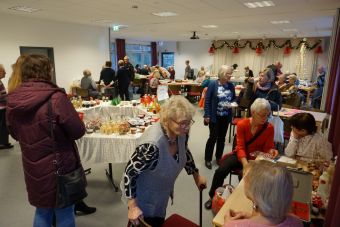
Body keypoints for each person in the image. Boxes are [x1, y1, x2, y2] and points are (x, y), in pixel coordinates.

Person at [6, 55, 96, 227]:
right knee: (64, 211)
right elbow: (77, 131)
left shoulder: (13, 99)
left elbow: (15, 134)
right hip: (59, 164)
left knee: (43, 209)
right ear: (46, 70)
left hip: (33, 164)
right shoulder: (56, 98)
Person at [122, 95, 207, 227]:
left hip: (161, 193)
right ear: (167, 120)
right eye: (182, 123)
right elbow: (129, 173)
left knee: (158, 220)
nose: (186, 127)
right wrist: (132, 206)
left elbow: (184, 151)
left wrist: (196, 175)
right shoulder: (152, 146)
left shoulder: (180, 133)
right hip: (144, 198)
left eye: (189, 122)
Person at [205, 98, 278, 209]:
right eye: (262, 115)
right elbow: (240, 147)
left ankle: (246, 203)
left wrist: (271, 151)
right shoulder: (242, 124)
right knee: (220, 171)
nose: (265, 118)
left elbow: (268, 148)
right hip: (241, 156)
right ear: (253, 112)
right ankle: (212, 197)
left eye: (267, 115)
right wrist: (245, 165)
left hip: (257, 160)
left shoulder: (269, 128)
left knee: (244, 177)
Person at [223, 161, 303, 227]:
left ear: (256, 196)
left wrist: (227, 222)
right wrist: (251, 217)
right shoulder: (297, 221)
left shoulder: (232, 225)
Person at [204, 65, 236, 169]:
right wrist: (207, 115)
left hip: (225, 116)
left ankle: (218, 158)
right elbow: (207, 100)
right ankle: (208, 159)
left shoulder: (231, 85)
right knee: (213, 137)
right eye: (228, 74)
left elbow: (234, 99)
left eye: (230, 74)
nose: (230, 76)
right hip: (215, 116)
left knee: (222, 138)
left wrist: (232, 104)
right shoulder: (213, 84)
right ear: (222, 74)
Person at [0, 64, 13, 150]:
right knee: (2, 126)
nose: (5, 73)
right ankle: (2, 143)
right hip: (1, 108)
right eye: (3, 71)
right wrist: (8, 96)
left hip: (3, 107)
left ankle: (5, 142)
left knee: (4, 126)